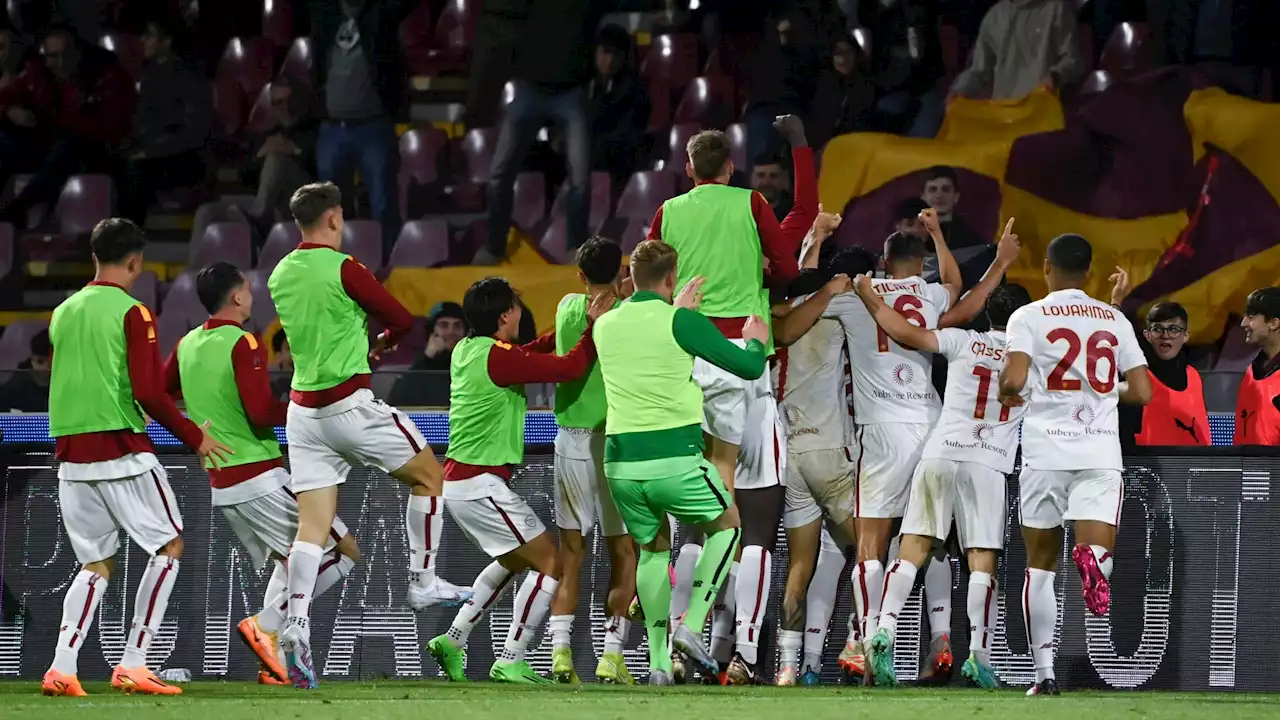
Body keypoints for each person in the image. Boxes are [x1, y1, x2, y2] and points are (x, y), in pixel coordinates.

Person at [266, 182, 469, 689]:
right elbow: (402, 319)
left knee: (312, 529)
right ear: (334, 219)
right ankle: (422, 582)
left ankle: (294, 624)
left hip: (302, 414)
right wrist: (381, 342)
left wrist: (360, 339)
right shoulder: (345, 267)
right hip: (351, 406)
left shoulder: (279, 274)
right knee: (430, 476)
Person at [647, 115, 817, 685]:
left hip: (687, 365)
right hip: (745, 362)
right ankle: (743, 653)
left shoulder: (668, 212)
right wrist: (767, 272)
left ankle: (673, 644)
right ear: (731, 168)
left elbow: (652, 279)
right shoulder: (751, 205)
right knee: (758, 521)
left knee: (696, 521)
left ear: (690, 169)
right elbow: (789, 271)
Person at [41, 218, 229, 697]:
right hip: (121, 450)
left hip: (70, 455)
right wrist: (193, 437)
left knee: (95, 565)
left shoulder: (63, 311)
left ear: (94, 256)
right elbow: (148, 391)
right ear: (135, 262)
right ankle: (134, 662)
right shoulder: (133, 312)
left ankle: (62, 667)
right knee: (168, 547)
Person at [164, 262, 361, 686]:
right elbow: (259, 412)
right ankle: (267, 624)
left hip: (224, 483)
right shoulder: (243, 342)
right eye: (249, 290)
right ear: (236, 298)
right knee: (343, 552)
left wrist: (194, 431)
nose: (252, 297)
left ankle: (275, 664)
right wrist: (304, 409)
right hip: (259, 475)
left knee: (288, 562)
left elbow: (162, 394)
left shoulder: (187, 345)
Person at [593, 239, 768, 685]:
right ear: (671, 279)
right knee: (728, 527)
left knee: (652, 551)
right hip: (674, 458)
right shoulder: (682, 322)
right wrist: (754, 342)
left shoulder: (605, 325)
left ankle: (656, 664)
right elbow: (746, 368)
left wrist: (676, 308)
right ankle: (690, 626)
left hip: (620, 466)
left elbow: (648, 336)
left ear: (630, 278)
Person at [426, 277, 612, 684]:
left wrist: (552, 338)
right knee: (551, 563)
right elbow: (569, 369)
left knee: (512, 561)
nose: (519, 312)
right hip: (480, 485)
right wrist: (592, 328)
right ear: (505, 314)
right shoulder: (499, 358)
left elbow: (523, 355)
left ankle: (454, 638)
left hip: (461, 483)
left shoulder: (469, 350)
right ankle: (512, 656)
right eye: (515, 305)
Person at [855, 275, 1030, 690]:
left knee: (912, 547)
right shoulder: (1033, 360)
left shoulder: (963, 341)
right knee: (981, 561)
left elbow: (904, 331)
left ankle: (883, 632)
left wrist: (867, 295)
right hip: (986, 464)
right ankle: (978, 658)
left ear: (988, 313)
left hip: (939, 454)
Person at [998, 233, 1152, 696]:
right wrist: (1105, 391)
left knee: (1039, 568)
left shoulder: (1027, 316)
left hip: (1046, 453)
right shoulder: (1114, 318)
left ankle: (1043, 676)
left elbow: (1014, 381)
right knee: (1095, 547)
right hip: (1099, 452)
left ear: (1046, 267)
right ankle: (1094, 559)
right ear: (1088, 270)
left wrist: (1013, 388)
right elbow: (1143, 392)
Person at [823, 215, 963, 684]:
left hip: (882, 429)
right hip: (932, 422)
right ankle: (941, 639)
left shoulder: (856, 295)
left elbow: (799, 308)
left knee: (871, 544)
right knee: (931, 540)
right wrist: (940, 236)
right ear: (918, 265)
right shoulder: (931, 294)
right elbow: (954, 283)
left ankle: (866, 641)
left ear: (884, 263)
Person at [770, 242, 871, 686]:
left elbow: (799, 288)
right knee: (871, 554)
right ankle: (857, 640)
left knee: (799, 566)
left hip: (787, 453)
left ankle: (789, 666)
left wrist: (813, 241)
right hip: (830, 452)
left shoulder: (774, 319)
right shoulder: (833, 313)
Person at [547, 237, 637, 685]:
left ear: (580, 275)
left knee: (572, 553)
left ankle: (560, 655)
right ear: (622, 272)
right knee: (624, 551)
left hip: (570, 441)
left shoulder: (566, 307)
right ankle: (610, 656)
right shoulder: (629, 315)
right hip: (613, 442)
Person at [475, 0, 605, 264]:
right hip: (529, 90)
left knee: (580, 179)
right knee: (500, 174)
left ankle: (576, 248)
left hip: (570, 92)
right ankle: (493, 247)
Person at [309, 0, 416, 259]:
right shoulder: (326, 17)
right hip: (333, 129)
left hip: (373, 127)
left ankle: (390, 262)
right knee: (330, 210)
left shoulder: (382, 15)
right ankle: (336, 269)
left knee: (383, 204)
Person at [0, 27, 136, 225]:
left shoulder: (106, 76)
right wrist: (9, 111)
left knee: (68, 145)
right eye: (53, 56)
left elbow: (105, 128)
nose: (61, 63)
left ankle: (21, 207)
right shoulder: (39, 75)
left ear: (78, 52)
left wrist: (51, 126)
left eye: (67, 55)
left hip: (97, 152)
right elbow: (6, 97)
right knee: (6, 139)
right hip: (54, 146)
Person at [118, 17, 211, 224]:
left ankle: (128, 234)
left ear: (166, 41)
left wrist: (150, 151)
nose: (143, 40)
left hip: (184, 157)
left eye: (149, 35)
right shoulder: (149, 74)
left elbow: (194, 132)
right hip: (153, 153)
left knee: (135, 172)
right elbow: (141, 122)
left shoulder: (188, 76)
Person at [1107, 281, 1210, 446]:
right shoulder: (1138, 379)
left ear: (1186, 336)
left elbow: (1202, 433)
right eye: (1158, 329)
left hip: (1191, 467)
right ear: (1148, 335)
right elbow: (1110, 339)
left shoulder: (1193, 376)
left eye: (1174, 329)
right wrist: (1116, 301)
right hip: (1148, 467)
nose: (1166, 335)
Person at [949, 0, 1084, 102]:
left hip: (1042, 111)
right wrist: (959, 90)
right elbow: (979, 70)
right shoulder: (995, 16)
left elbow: (1073, 60)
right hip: (1003, 114)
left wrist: (1055, 77)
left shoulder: (1056, 9)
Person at [587, 24, 651, 183]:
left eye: (615, 55)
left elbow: (628, 135)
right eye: (604, 53)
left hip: (615, 160)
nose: (608, 61)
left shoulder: (635, 90)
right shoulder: (587, 84)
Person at [387, 302, 467, 407]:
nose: (451, 332)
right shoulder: (420, 366)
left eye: (457, 326)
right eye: (443, 325)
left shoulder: (472, 364)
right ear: (431, 333)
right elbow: (398, 403)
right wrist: (427, 358)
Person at [1235, 287, 1280, 445]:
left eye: (1251, 317)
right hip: (1245, 467)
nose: (1243, 323)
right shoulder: (1250, 373)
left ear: (1273, 323)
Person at [0, 329, 51, 411]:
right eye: (40, 361)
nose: (47, 366)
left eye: (52, 362)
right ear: (32, 361)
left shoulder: (68, 383)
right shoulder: (16, 387)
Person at [751, 154, 792, 222]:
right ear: (752, 179)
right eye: (761, 175)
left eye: (773, 176)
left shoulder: (793, 213)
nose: (766, 182)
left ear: (782, 180)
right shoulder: (741, 210)